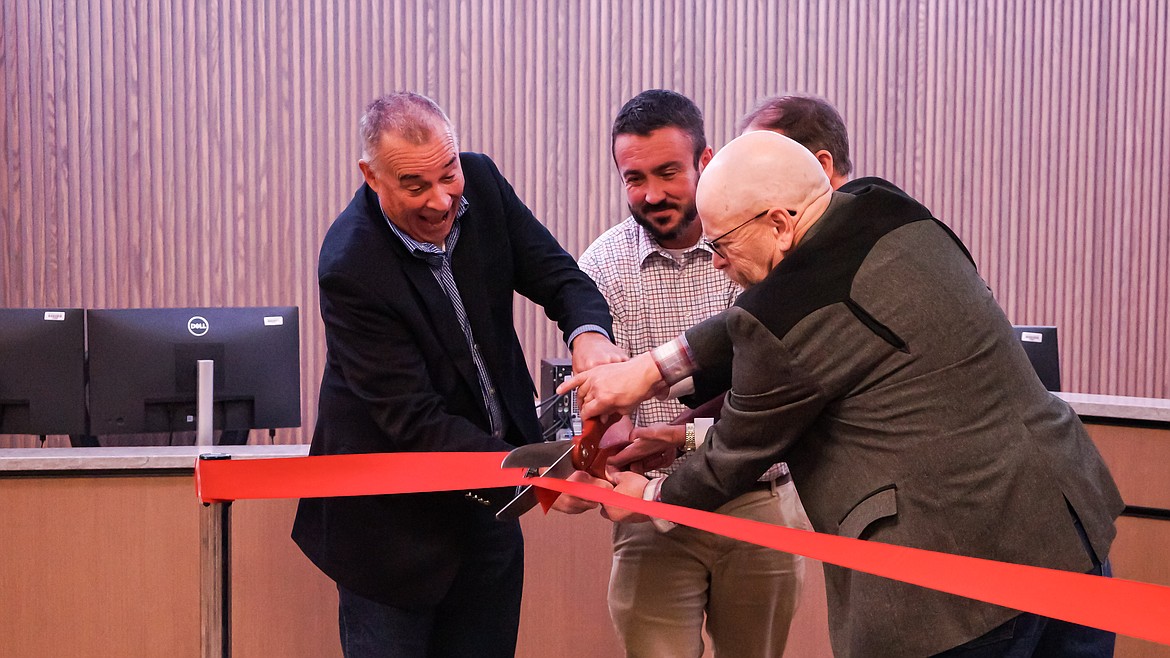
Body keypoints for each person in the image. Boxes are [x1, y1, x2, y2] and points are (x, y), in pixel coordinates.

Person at [561, 130, 1124, 657]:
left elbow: (730, 459)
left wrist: (643, 497)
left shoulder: (784, 329)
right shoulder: (884, 208)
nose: (717, 262)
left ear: (781, 223)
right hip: (1066, 528)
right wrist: (652, 370)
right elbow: (769, 310)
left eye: (724, 244)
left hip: (952, 593)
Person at [291, 92, 624, 658]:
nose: (442, 200)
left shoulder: (483, 183)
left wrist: (590, 339)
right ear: (371, 177)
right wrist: (536, 475)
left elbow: (561, 278)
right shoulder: (351, 265)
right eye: (415, 185)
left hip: (487, 508)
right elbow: (413, 421)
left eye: (448, 175)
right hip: (391, 535)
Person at [572, 89, 810, 658]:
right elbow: (602, 405)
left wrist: (677, 431)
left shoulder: (762, 244)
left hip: (759, 501)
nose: (652, 194)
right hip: (649, 513)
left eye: (669, 172)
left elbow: (771, 387)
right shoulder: (600, 268)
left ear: (707, 162)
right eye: (634, 178)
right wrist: (589, 454)